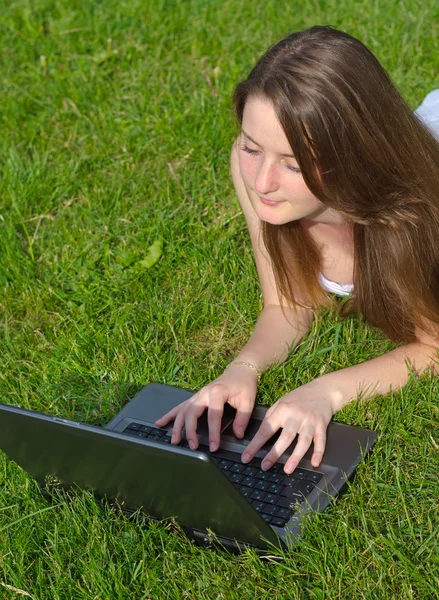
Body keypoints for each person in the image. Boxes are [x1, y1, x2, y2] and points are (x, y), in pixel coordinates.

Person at [155, 25, 439, 475]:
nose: (262, 182)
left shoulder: (413, 213)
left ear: (351, 158)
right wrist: (241, 370)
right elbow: (286, 302)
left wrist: (326, 392)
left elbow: (434, 345)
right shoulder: (254, 173)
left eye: (292, 164)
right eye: (252, 147)